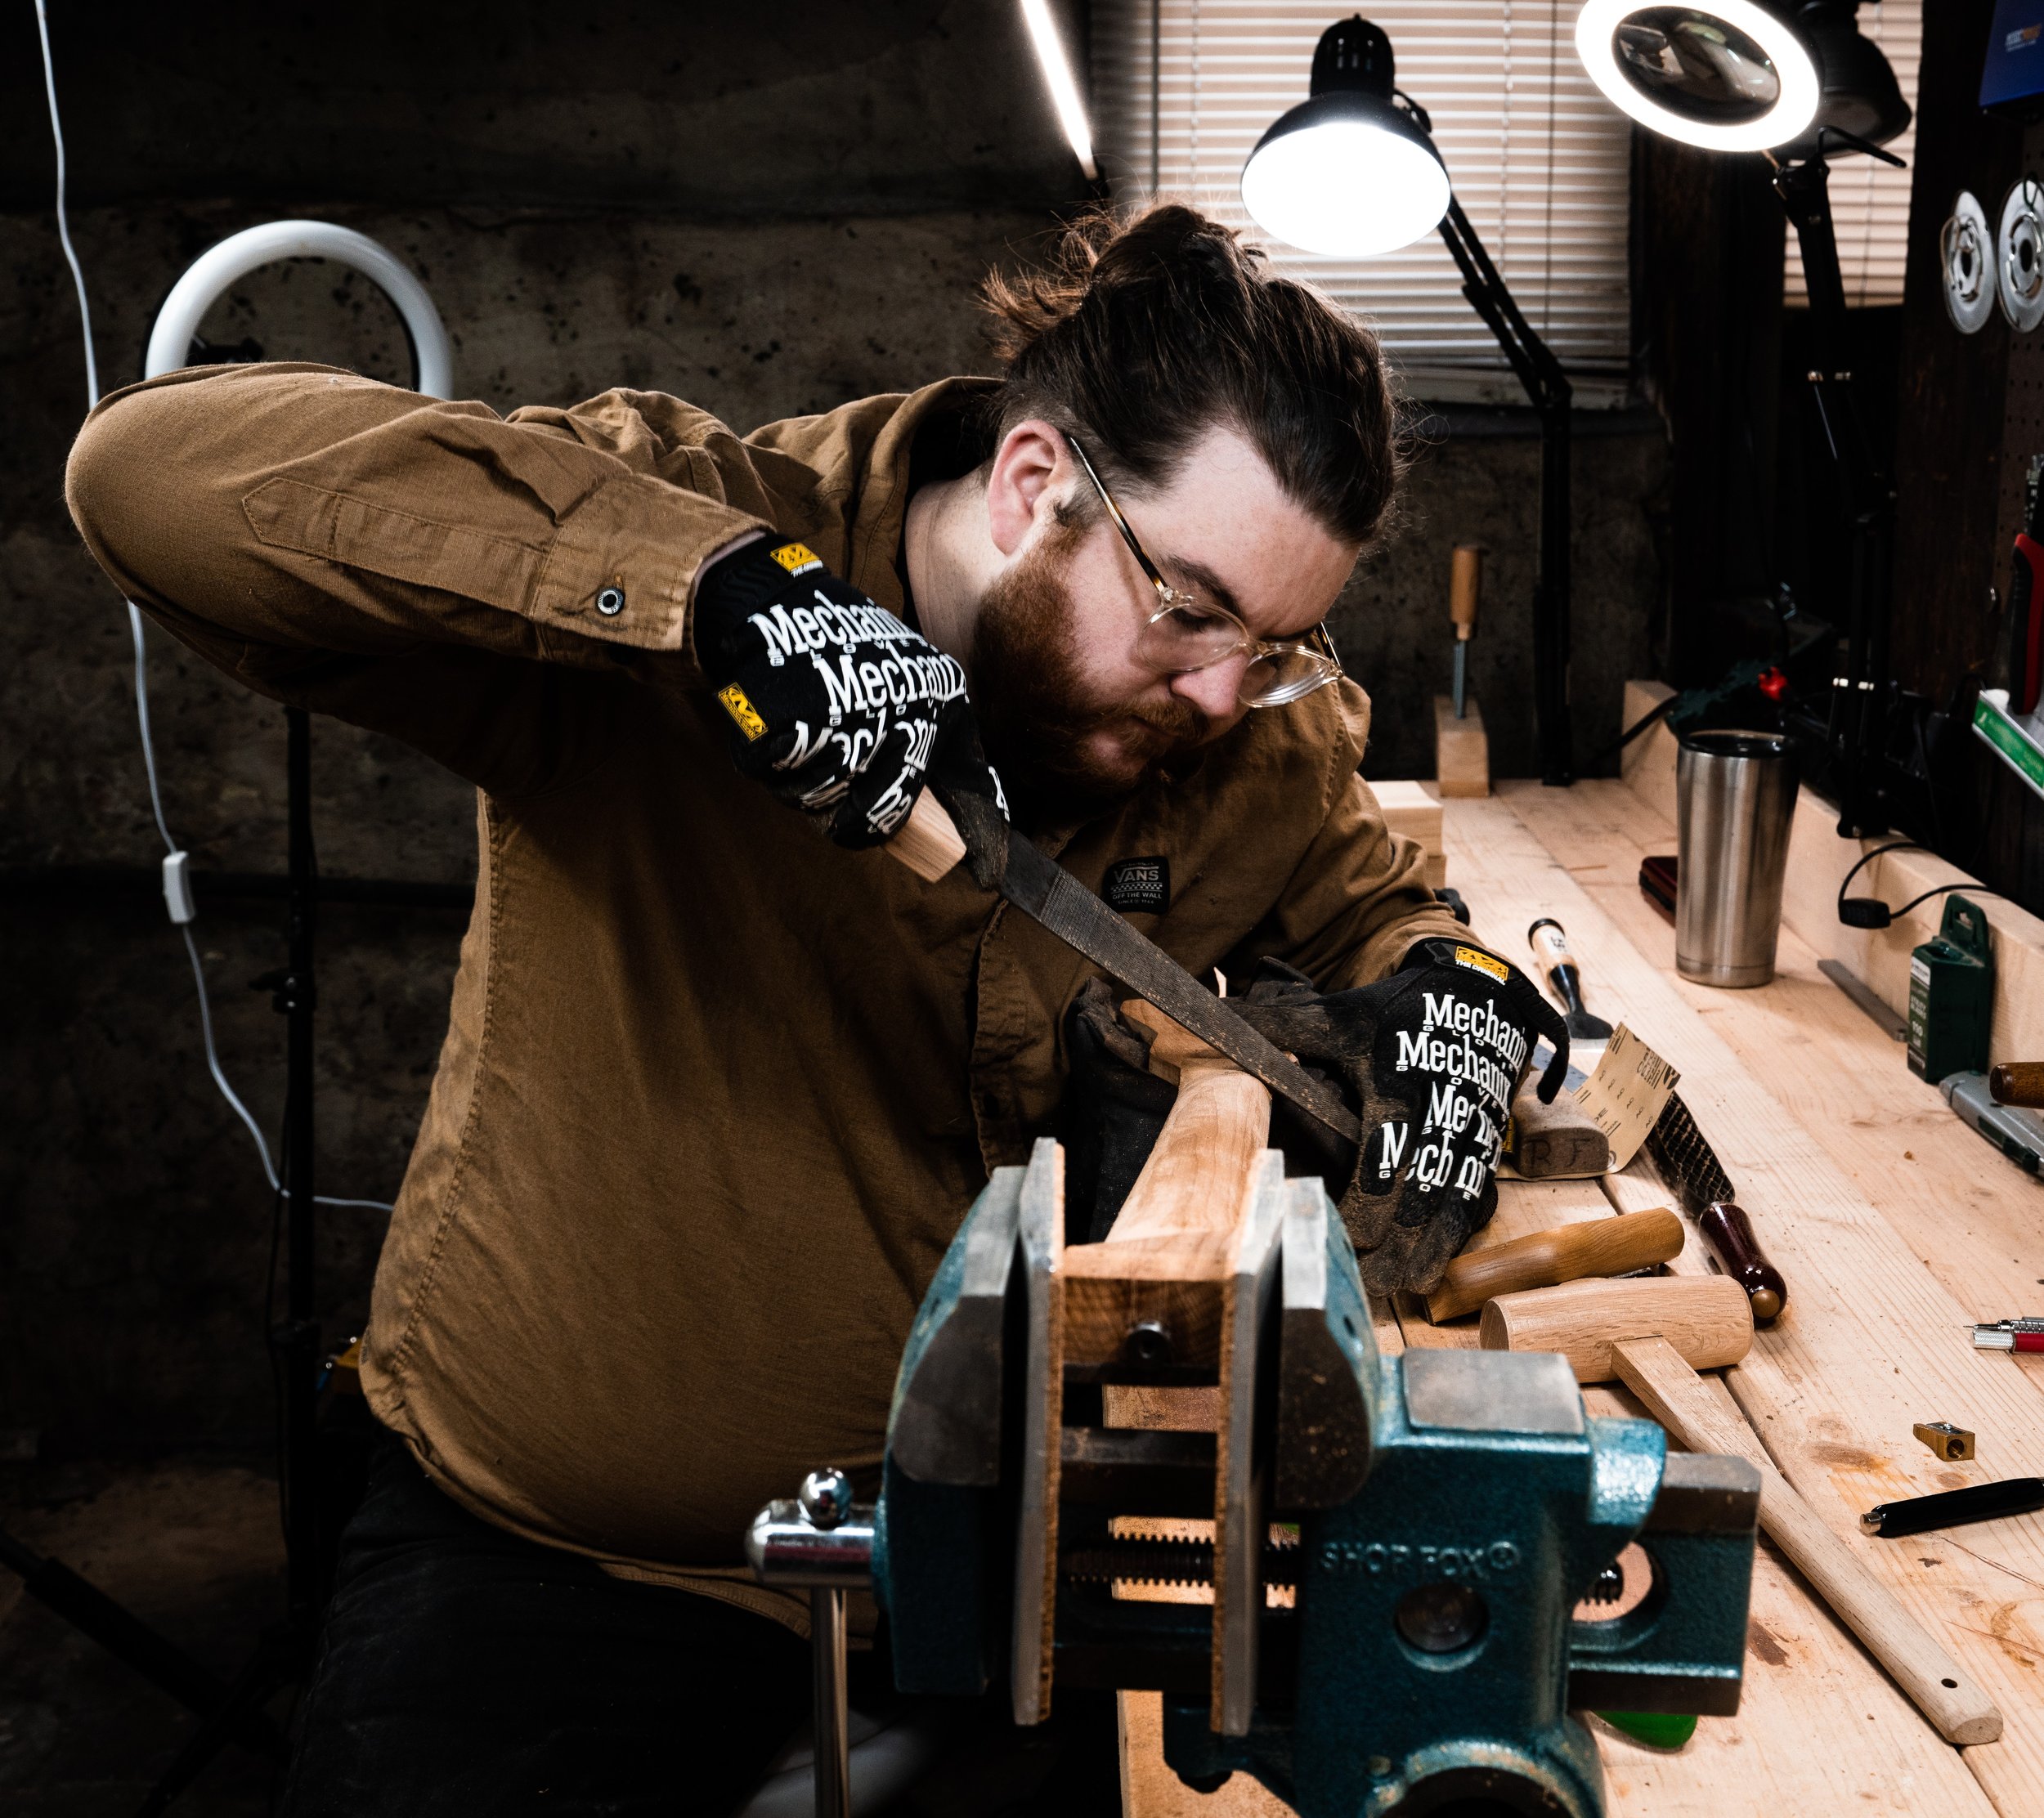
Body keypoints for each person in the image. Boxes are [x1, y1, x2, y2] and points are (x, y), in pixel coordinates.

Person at [64, 203, 1562, 1815]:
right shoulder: (688, 519)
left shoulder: (1233, 717)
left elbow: (1369, 889)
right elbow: (144, 481)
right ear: (1032, 483)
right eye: (1188, 609)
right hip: (556, 1579)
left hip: (989, 1583)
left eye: (1270, 643)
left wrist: (1448, 989)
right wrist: (701, 597)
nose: (1217, 686)